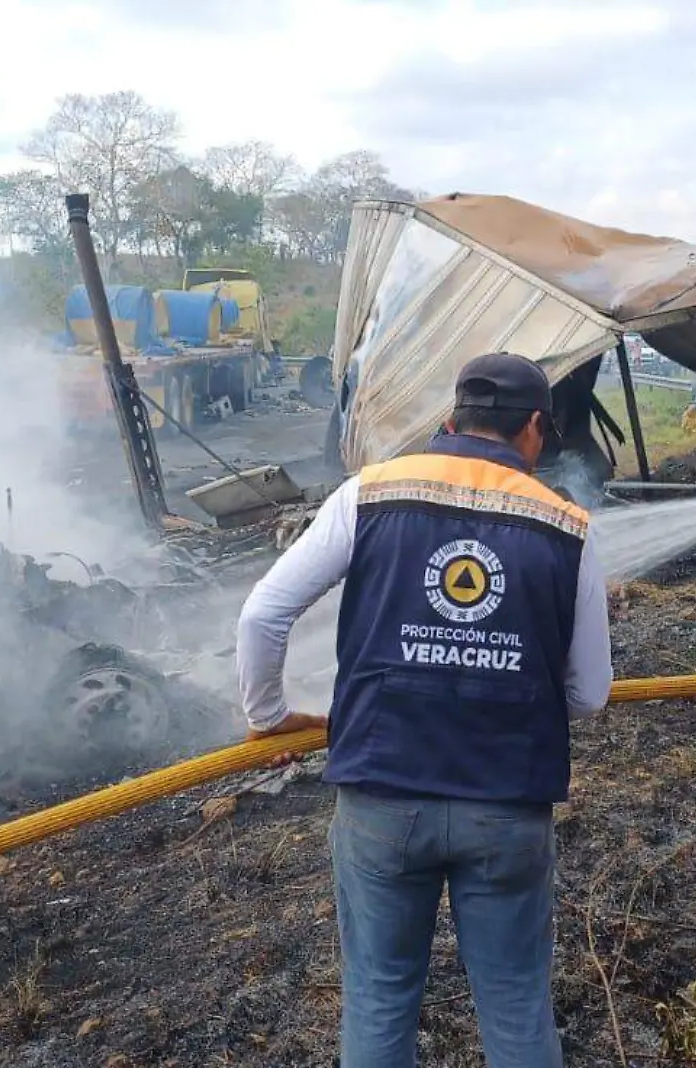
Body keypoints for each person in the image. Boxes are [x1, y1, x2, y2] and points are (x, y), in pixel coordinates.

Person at [236, 352, 613, 1068]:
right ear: (535, 427)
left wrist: (268, 714)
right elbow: (589, 694)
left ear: (449, 421)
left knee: (380, 998)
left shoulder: (368, 493)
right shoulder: (568, 527)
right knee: (516, 1006)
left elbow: (261, 617)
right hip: (507, 803)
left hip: (383, 796)